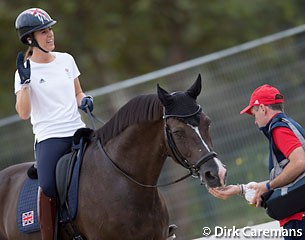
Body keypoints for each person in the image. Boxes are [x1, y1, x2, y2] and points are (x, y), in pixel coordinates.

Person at [14, 8, 93, 240]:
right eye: (43, 31)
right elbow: (23, 113)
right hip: (50, 138)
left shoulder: (66, 59)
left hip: (78, 130)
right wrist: (26, 82)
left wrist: (85, 100)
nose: (50, 35)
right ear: (30, 38)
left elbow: (78, 92)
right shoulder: (24, 72)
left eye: (50, 29)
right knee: (48, 185)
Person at [209, 84, 305, 240]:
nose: (255, 121)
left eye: (254, 114)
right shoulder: (290, 125)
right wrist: (241, 189)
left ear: (262, 108)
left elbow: (300, 163)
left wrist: (268, 186)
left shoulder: (278, 129)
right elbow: (294, 178)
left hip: (300, 221)